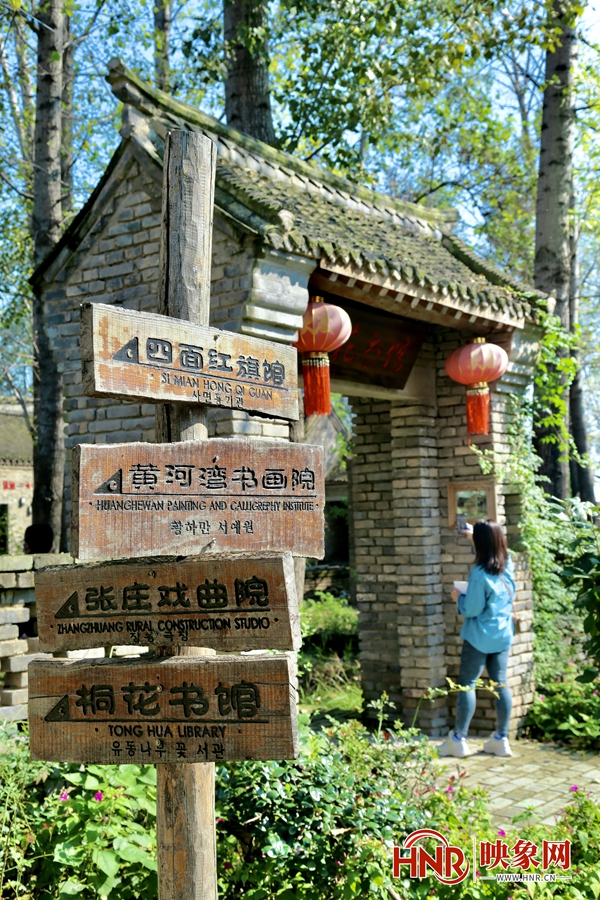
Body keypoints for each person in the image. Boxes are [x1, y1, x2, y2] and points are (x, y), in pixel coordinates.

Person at [439, 519, 515, 759]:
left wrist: (457, 598)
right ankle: (501, 739)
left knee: (467, 684)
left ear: (481, 543)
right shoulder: (508, 563)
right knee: (500, 684)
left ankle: (459, 739)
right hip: (502, 634)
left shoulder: (479, 574)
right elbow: (491, 551)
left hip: (479, 636)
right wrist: (475, 536)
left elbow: (471, 609)